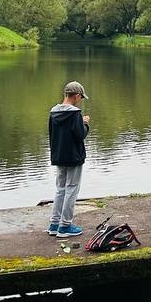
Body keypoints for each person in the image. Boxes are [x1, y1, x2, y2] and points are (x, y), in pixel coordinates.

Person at [47, 81, 91, 237]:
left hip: (59, 156)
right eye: (81, 97)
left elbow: (51, 135)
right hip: (73, 157)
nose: (80, 100)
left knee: (60, 189)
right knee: (72, 189)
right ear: (77, 95)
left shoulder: (53, 112)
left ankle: (54, 224)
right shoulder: (74, 114)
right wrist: (85, 123)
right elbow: (80, 135)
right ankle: (65, 226)